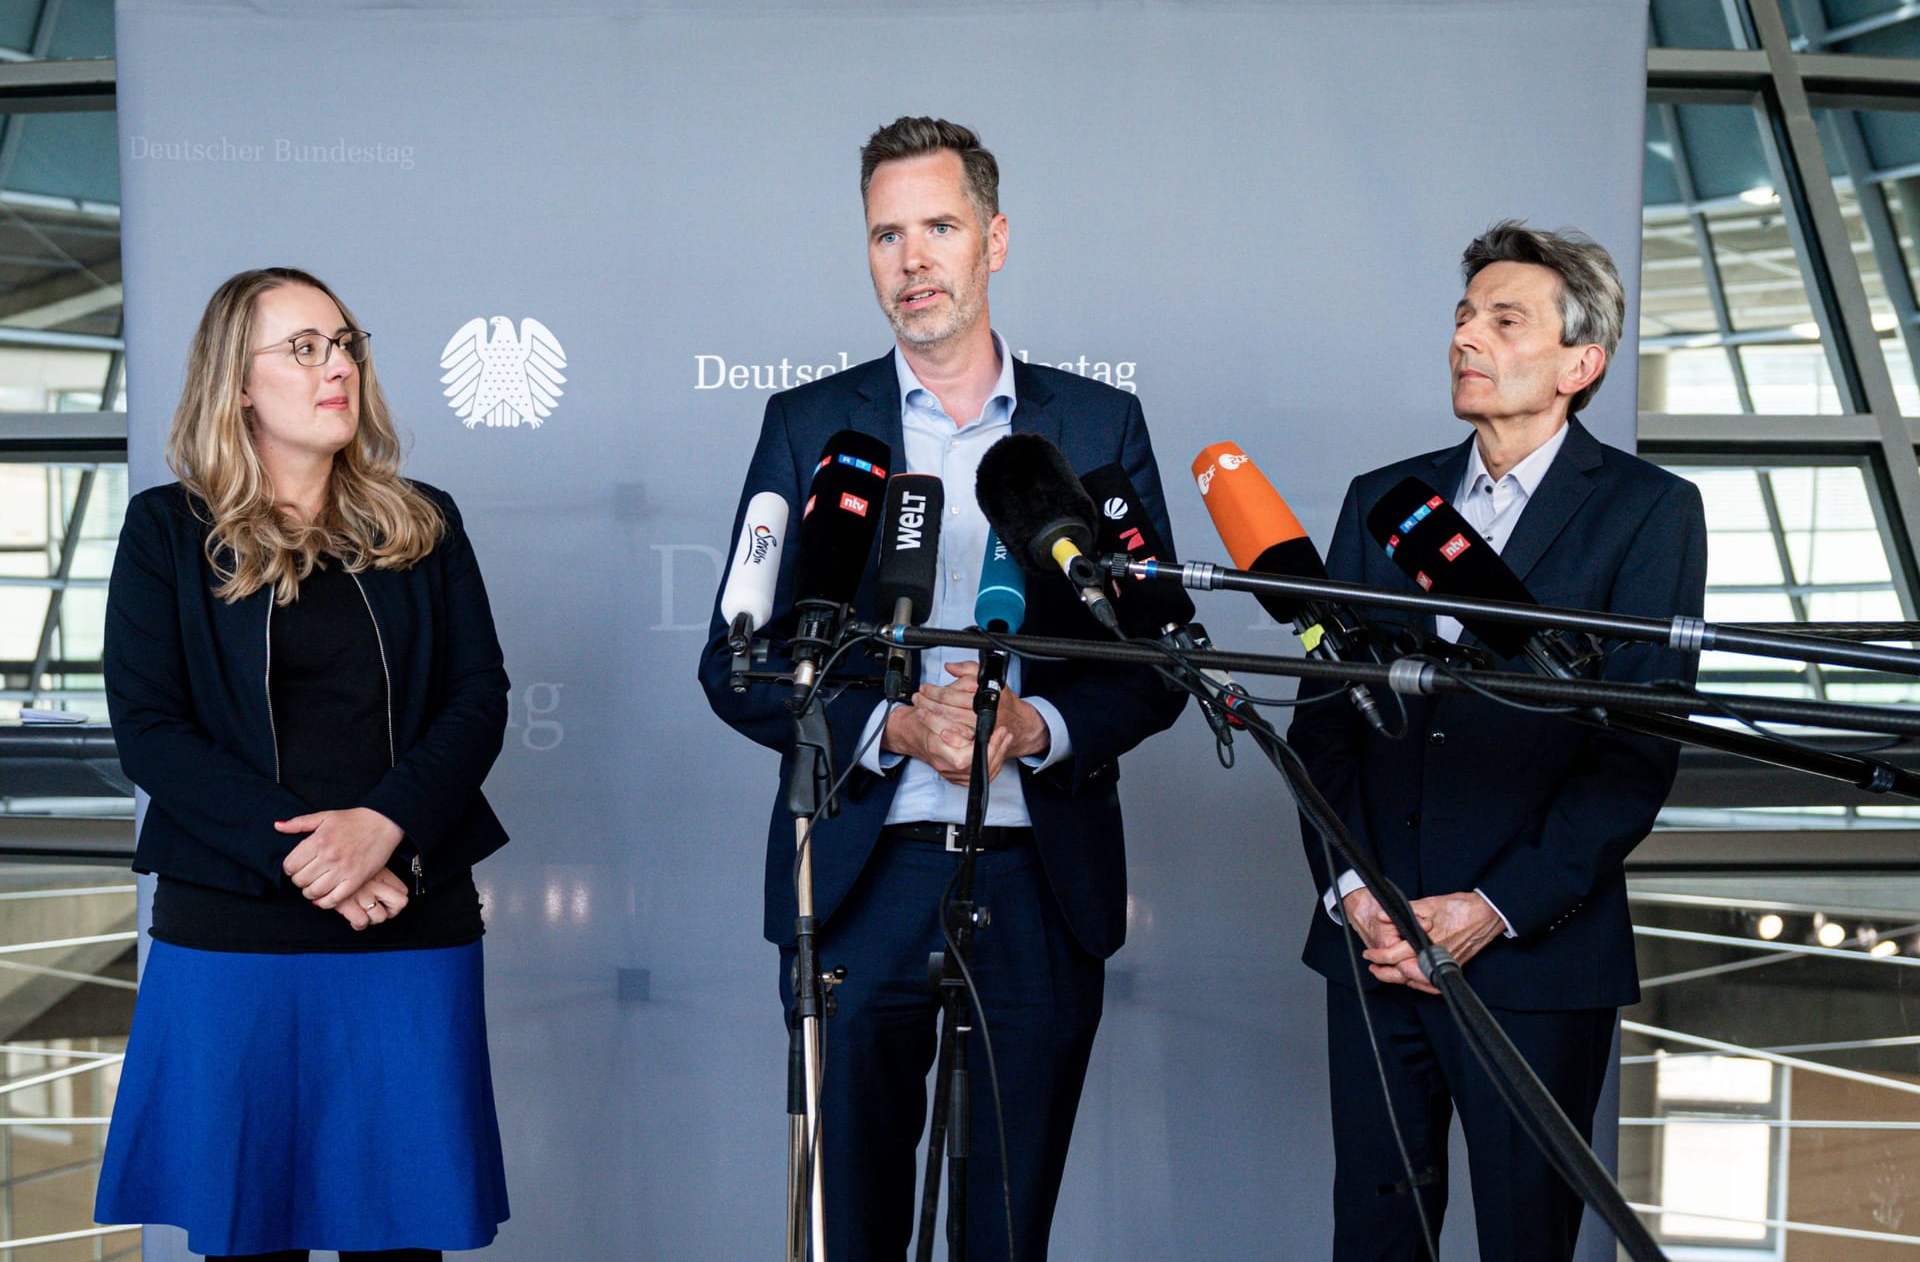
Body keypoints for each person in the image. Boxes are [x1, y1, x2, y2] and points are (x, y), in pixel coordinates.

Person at [698, 116, 1185, 1260]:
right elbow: (737, 660)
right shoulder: (813, 427)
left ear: (994, 238)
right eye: (885, 235)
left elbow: (1159, 659)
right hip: (864, 879)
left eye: (939, 227)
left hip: (1041, 878)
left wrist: (1037, 724)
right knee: (849, 1227)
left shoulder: (1096, 425)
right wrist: (892, 723)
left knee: (1006, 1232)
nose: (912, 260)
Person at [1289, 221, 1708, 1261]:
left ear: (1581, 362)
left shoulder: (1650, 513)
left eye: (1503, 318)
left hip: (1537, 956)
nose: (1467, 336)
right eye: (1464, 315)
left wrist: (1491, 908)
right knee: (1376, 1236)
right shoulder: (1386, 502)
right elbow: (1322, 719)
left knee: (1528, 1241)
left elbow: (1634, 755)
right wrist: (1357, 893)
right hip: (1377, 949)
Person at [94, 267, 512, 1260]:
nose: (339, 366)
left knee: (399, 1235)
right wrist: (310, 857)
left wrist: (380, 831)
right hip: (235, 932)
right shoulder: (167, 529)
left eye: (345, 342)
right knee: (249, 1235)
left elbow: (479, 697)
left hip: (406, 919)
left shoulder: (424, 518)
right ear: (237, 383)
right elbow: (148, 725)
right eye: (305, 348)